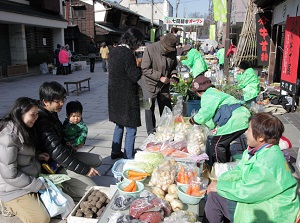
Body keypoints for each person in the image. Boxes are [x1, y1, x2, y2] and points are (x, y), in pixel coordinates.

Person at [204, 112, 299, 223]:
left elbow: (248, 191)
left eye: (249, 129)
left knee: (215, 198)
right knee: (213, 190)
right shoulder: (256, 151)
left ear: (261, 137)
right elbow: (239, 171)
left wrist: (220, 187)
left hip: (273, 211)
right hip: (259, 196)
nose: (245, 132)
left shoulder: (268, 162)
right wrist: (220, 181)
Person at [33, 81, 102, 201]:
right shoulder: (42, 121)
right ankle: (60, 185)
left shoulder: (51, 113)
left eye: (63, 99)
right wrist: (85, 170)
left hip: (65, 154)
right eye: (57, 101)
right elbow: (57, 152)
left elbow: (61, 138)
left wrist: (73, 142)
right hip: (53, 165)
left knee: (98, 160)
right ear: (45, 101)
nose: (61, 104)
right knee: (93, 190)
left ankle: (75, 177)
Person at [0, 97, 50, 223]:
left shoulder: (24, 127)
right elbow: (10, 175)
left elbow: (21, 154)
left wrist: (37, 156)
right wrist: (37, 185)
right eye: (32, 114)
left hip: (28, 180)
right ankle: (6, 204)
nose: (36, 118)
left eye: (37, 114)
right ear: (20, 113)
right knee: (41, 219)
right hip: (11, 188)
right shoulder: (8, 137)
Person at [189, 76, 251, 163]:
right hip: (242, 117)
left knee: (217, 143)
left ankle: (220, 168)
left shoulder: (207, 96)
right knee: (224, 141)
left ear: (198, 92)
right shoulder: (215, 92)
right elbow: (212, 118)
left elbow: (205, 112)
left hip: (234, 120)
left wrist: (194, 120)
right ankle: (228, 161)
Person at [108, 28, 145, 159]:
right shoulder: (127, 54)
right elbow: (134, 76)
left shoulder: (114, 51)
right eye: (138, 43)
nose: (138, 46)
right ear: (133, 41)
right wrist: (139, 66)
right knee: (131, 127)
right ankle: (128, 156)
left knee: (119, 124)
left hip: (115, 95)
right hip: (127, 95)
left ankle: (115, 151)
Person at [141, 33, 178, 135]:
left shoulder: (173, 51)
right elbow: (145, 69)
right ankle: (151, 134)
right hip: (148, 85)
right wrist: (160, 77)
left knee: (167, 110)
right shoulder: (150, 49)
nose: (169, 51)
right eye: (167, 49)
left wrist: (174, 75)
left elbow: (174, 66)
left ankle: (166, 133)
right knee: (149, 111)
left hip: (164, 86)